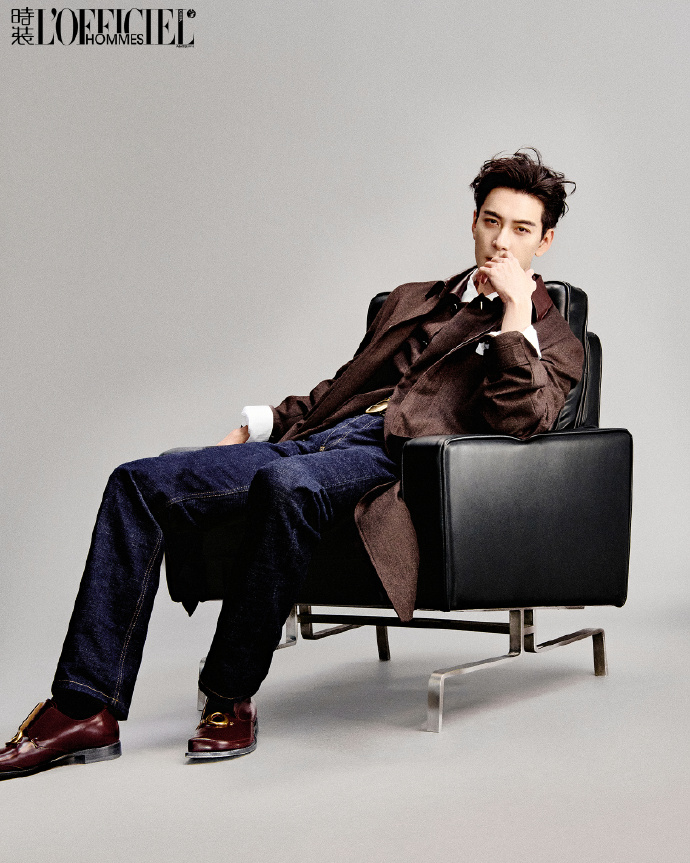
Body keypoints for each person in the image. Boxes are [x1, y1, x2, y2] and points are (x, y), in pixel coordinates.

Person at [0, 149, 584, 779]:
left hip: (395, 462)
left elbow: (519, 422)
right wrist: (257, 425)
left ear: (545, 241)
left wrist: (515, 318)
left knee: (287, 484)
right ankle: (83, 707)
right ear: (473, 222)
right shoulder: (412, 300)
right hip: (317, 440)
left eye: (521, 229)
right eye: (492, 222)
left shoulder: (554, 342)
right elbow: (343, 388)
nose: (501, 242)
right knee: (137, 481)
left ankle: (228, 695)